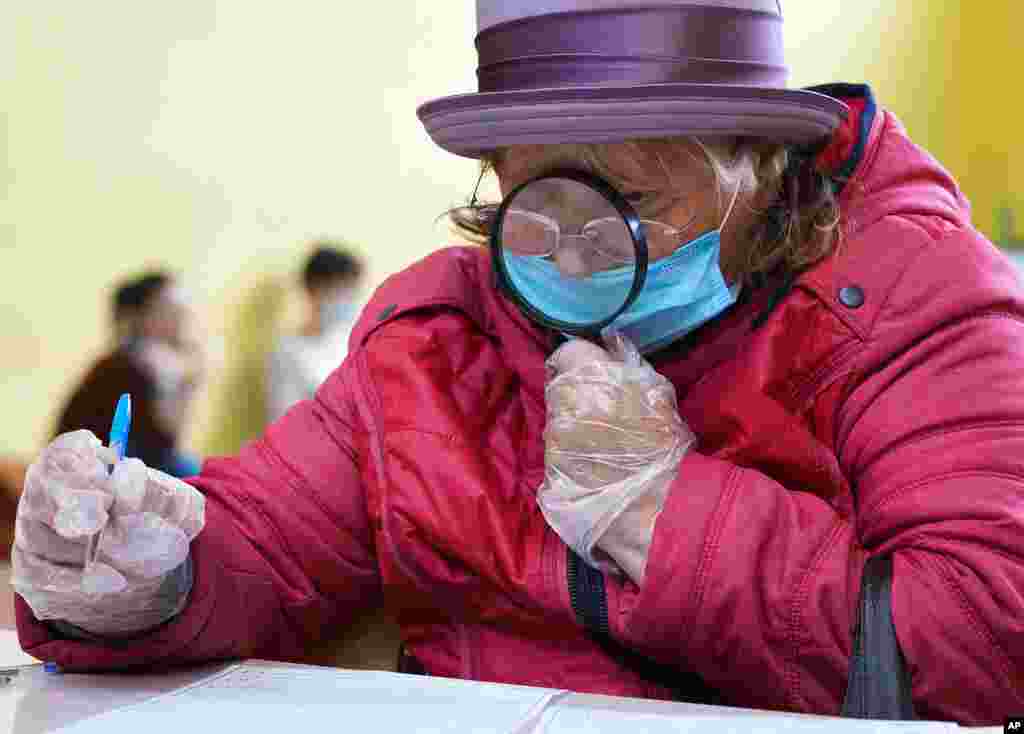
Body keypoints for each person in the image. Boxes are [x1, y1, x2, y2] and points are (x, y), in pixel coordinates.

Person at [10, 1, 1024, 725]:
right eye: (538, 198)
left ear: (759, 164)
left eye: (631, 196)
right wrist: (143, 573)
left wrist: (667, 517)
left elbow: (990, 641)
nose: (573, 247)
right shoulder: (434, 327)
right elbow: (267, 542)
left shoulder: (911, 291)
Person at [52, 271, 204, 479]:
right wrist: (189, 382)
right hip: (92, 473)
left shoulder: (136, 359)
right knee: (189, 475)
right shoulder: (140, 363)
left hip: (105, 465)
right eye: (169, 312)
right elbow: (165, 437)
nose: (180, 322)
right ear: (140, 317)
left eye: (182, 312)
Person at [266, 245, 365, 423]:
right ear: (312, 289)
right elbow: (284, 423)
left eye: (351, 291)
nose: (346, 299)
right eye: (338, 289)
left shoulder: (353, 343)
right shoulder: (288, 352)